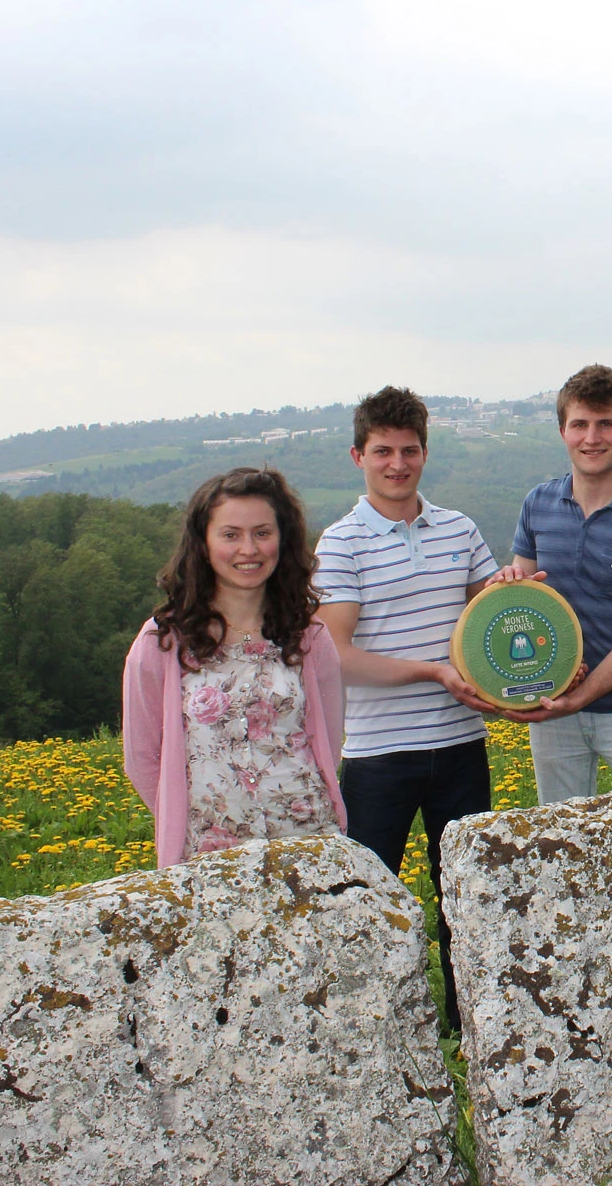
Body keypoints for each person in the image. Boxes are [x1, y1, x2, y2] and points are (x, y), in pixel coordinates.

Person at [314, 386, 499, 1029]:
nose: (398, 463)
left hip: (460, 744)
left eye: (410, 450)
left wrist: (530, 633)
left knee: (467, 900)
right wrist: (432, 672)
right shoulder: (340, 543)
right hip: (378, 755)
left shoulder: (461, 529)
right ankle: (375, 1034)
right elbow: (337, 656)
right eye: (383, 451)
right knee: (367, 905)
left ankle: (468, 1030)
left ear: (425, 452)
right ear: (358, 456)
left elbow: (492, 622)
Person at [122, 466, 347, 869]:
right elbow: (142, 758)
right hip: (207, 856)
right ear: (203, 544)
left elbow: (327, 744)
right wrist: (183, 819)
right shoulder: (163, 641)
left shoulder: (310, 638)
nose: (249, 549)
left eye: (262, 533)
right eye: (230, 535)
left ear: (283, 539)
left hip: (309, 846)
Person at [489, 365, 612, 803]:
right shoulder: (538, 504)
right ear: (563, 431)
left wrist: (579, 698)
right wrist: (507, 585)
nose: (591, 438)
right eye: (579, 424)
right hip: (552, 706)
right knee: (560, 833)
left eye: (605, 424)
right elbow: (523, 603)